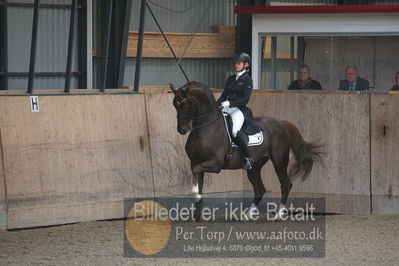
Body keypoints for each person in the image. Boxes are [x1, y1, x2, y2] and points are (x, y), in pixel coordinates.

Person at [216, 52, 255, 170]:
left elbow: (245, 99)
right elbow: (224, 95)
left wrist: (230, 103)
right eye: (236, 63)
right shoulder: (231, 78)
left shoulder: (247, 80)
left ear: (246, 65)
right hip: (227, 107)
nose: (236, 65)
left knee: (234, 131)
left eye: (239, 63)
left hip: (239, 110)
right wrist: (216, 105)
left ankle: (248, 157)